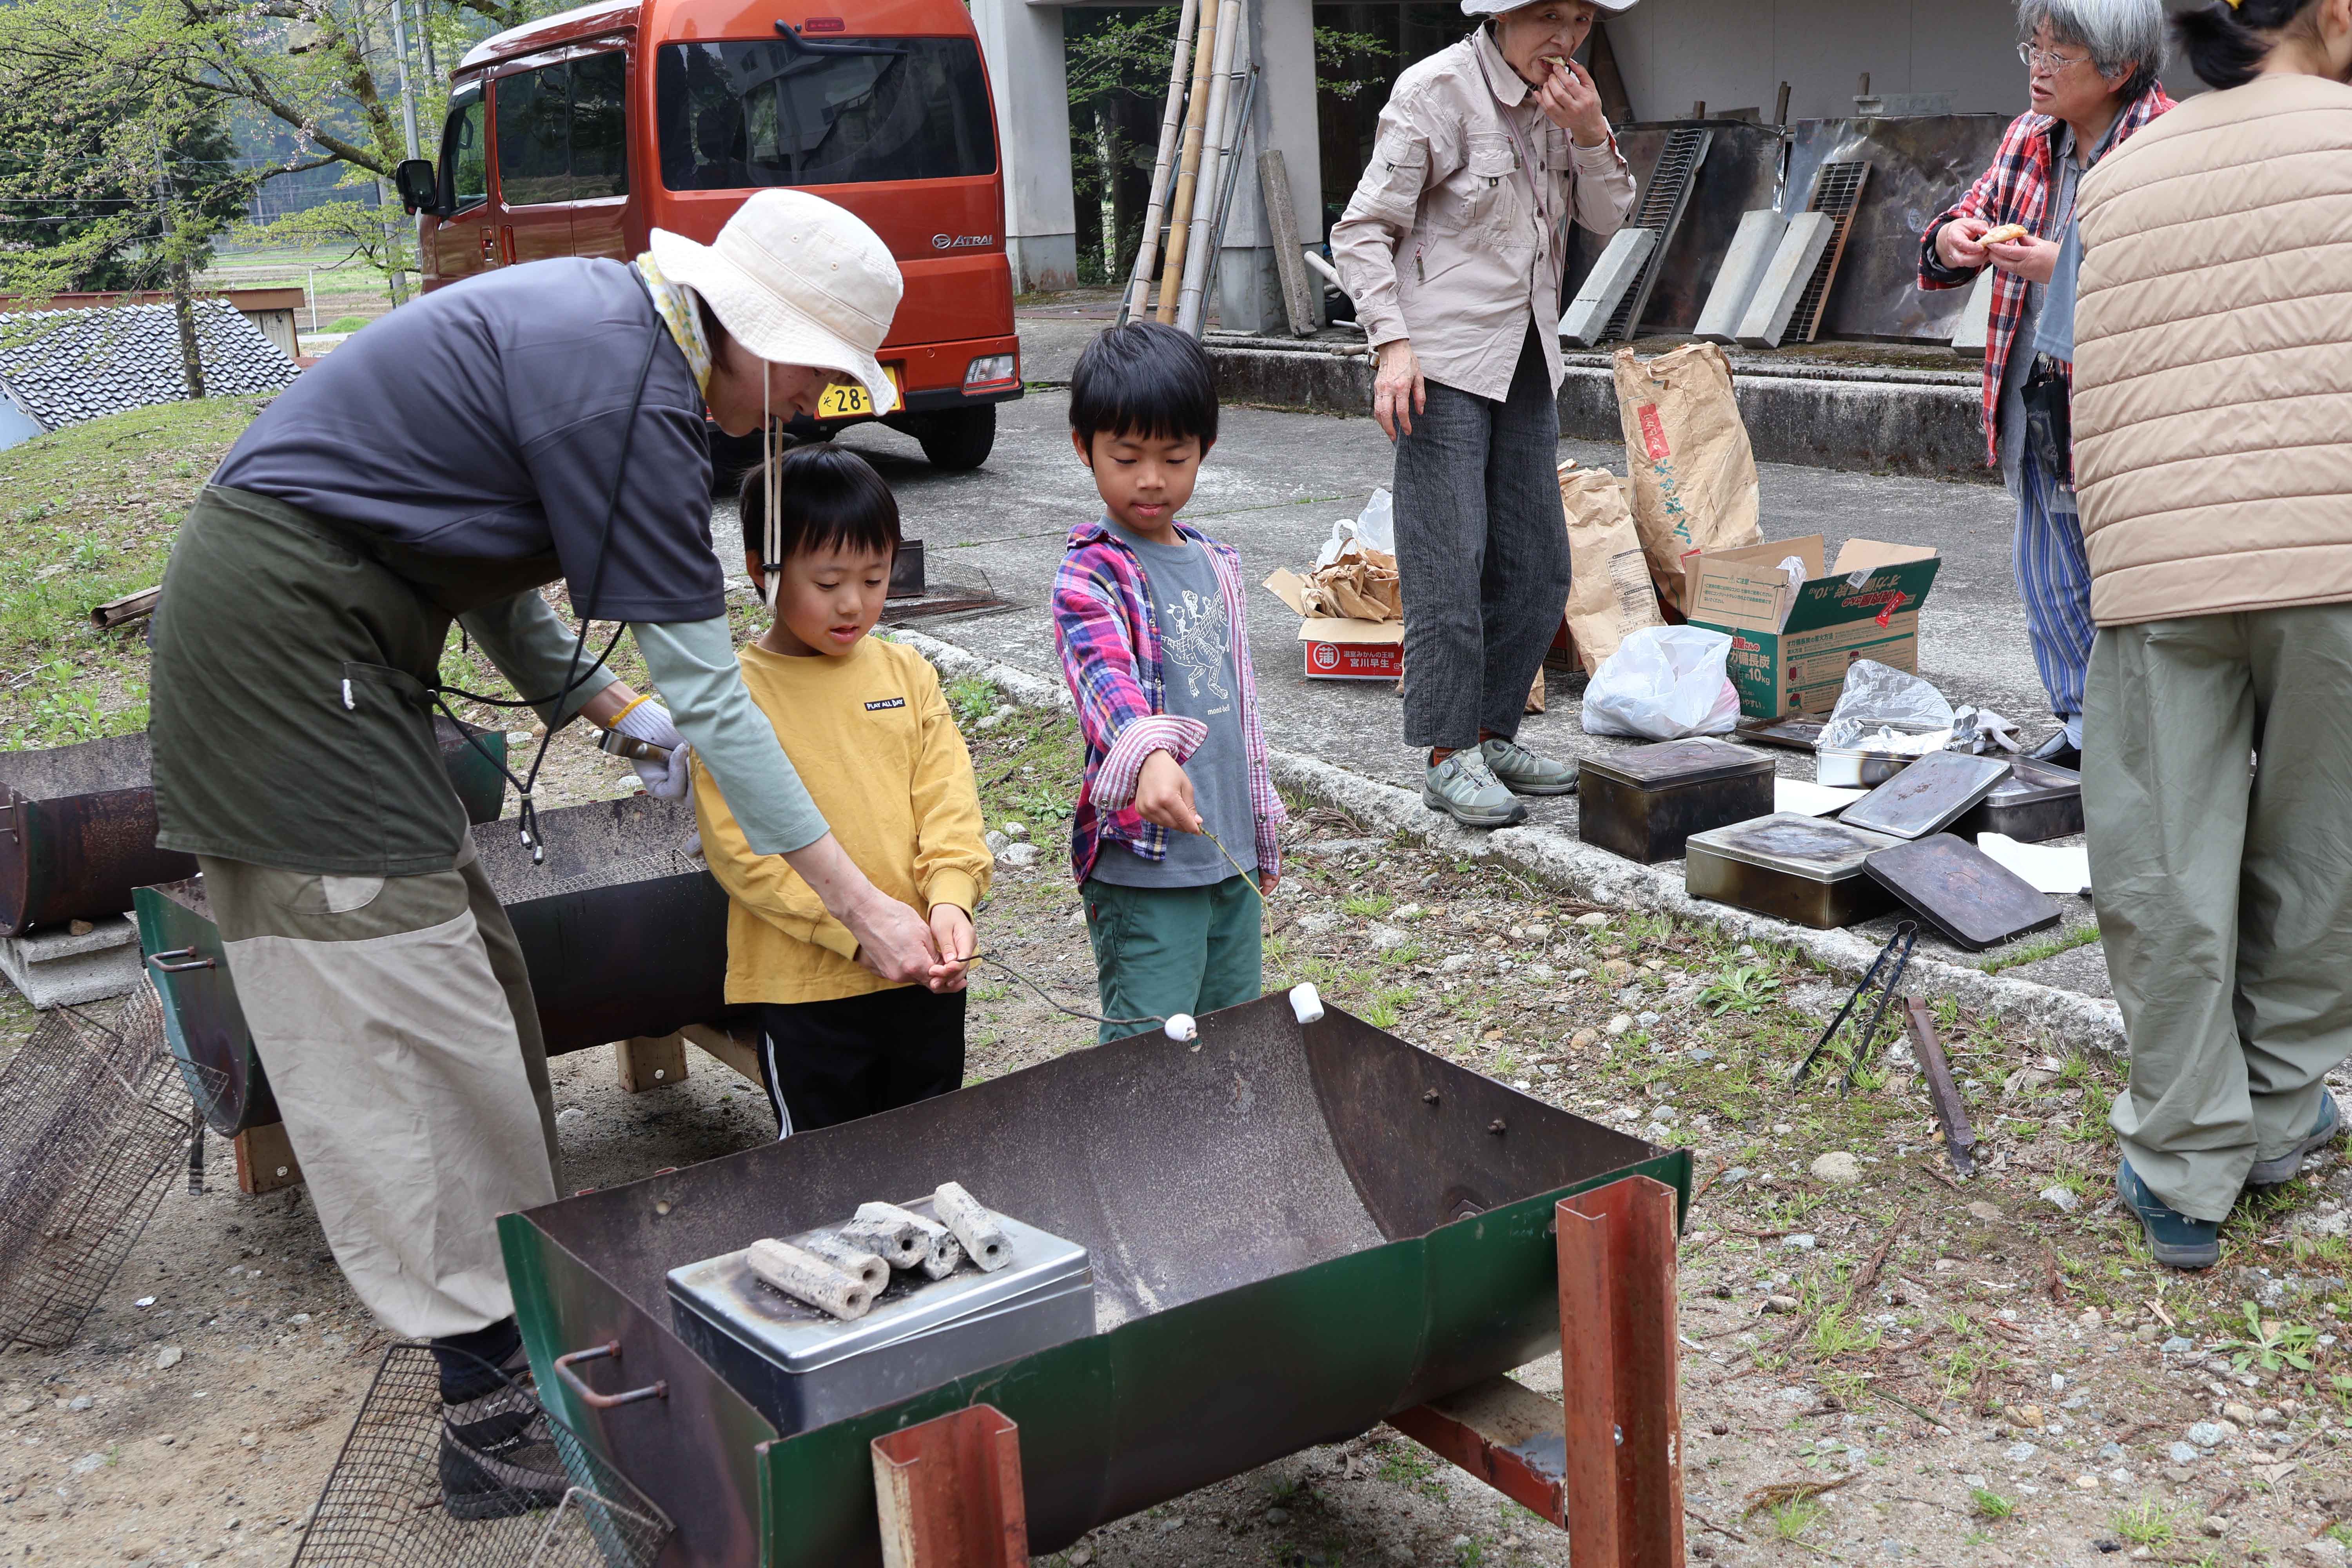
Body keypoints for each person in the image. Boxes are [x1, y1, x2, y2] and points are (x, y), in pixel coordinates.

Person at [145, 189, 949, 1511]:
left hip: (348, 641)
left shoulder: (620, 343)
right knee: (405, 1008)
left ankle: (519, 1320)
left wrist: (607, 713)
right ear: (753, 330)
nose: (813, 409)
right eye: (814, 378)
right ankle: (493, 1410)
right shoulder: (624, 384)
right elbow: (715, 692)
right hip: (287, 652)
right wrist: (860, 900)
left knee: (477, 974)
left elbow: (493, 571)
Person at [2069, 0, 2352, 1269]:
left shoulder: (2119, 178)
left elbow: (2094, 392)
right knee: (2322, 859)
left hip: (2160, 565)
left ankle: (2186, 1170)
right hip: (2335, 555)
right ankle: (2287, 1117)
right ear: (2332, 17)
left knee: (2164, 874)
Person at [1330, 0, 1635, 830]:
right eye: (1546, 16)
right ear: (1501, 17)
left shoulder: (1568, 100)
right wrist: (1390, 344)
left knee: (1538, 566)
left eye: (1580, 18)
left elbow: (1611, 218)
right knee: (1449, 561)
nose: (1566, 36)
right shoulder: (1435, 92)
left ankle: (1493, 731)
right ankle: (1445, 751)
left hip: (1529, 356)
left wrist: (1589, 131)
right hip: (1440, 364)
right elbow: (1362, 231)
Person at [691, 445, 990, 1136]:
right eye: (827, 583)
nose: (854, 603)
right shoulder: (735, 701)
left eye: (875, 577)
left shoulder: (908, 673)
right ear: (763, 573)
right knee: (828, 1177)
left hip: (924, 974)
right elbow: (744, 855)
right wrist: (854, 936)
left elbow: (950, 803)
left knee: (932, 1153)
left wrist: (951, 900)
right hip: (805, 992)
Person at [1918, 0, 2172, 771]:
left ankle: (2147, 742)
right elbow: (1958, 224)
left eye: (2058, 55)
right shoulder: (2030, 139)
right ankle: (2085, 724)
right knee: (2049, 575)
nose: (2037, 66)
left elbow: (2178, 277)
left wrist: (2067, 267)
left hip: (2125, 408)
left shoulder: (2165, 143)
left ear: (2119, 68)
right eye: (2034, 47)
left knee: (2127, 583)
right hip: (2032, 391)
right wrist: (1951, 240)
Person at [1053, 322, 1283, 1042]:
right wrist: (1148, 754)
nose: (1151, 479)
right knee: (1148, 1052)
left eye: (1174, 457)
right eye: (1126, 457)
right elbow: (1103, 679)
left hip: (1227, 853)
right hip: (1145, 867)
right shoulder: (1091, 572)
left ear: (1204, 451)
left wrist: (1261, 822)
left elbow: (1240, 712)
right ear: (1083, 448)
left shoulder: (1217, 562)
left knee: (1231, 1036)